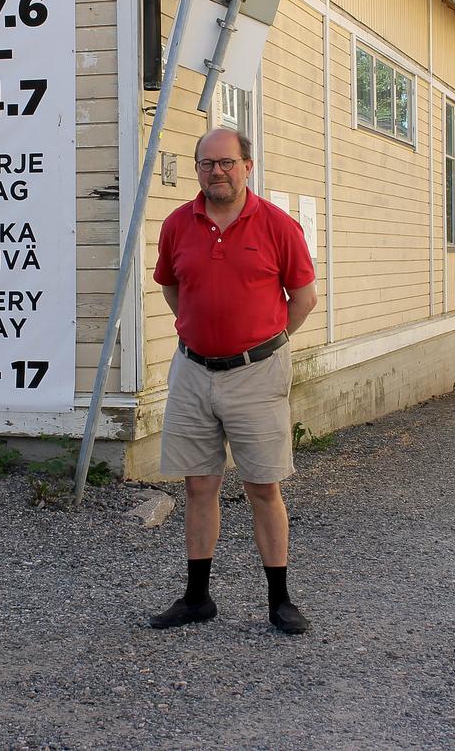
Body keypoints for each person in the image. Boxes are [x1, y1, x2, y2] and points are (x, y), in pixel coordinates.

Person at [149, 128, 319, 635]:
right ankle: (197, 598)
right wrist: (200, 335)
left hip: (257, 373)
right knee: (198, 485)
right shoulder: (178, 224)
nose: (215, 172)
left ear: (247, 165)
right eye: (206, 164)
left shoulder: (276, 226)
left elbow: (304, 298)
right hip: (193, 371)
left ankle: (279, 600)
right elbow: (173, 288)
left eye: (226, 163)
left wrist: (262, 344)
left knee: (262, 486)